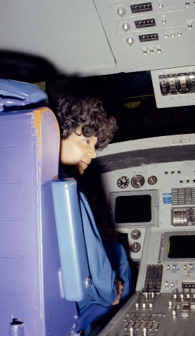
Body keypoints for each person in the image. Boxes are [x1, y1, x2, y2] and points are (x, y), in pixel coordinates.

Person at [53, 96, 130, 321]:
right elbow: (95, 260)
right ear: (56, 135)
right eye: (86, 142)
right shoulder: (69, 194)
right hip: (71, 304)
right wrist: (110, 291)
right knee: (117, 252)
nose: (94, 153)